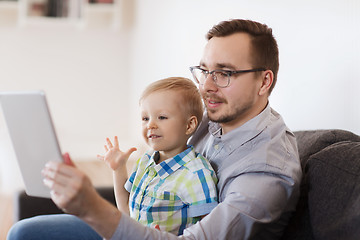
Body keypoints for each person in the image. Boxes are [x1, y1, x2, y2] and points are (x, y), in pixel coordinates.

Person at [7, 19, 302, 240]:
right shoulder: (214, 115)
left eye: (224, 73)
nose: (207, 86)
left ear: (264, 82)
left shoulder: (267, 171)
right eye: (204, 70)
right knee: (25, 231)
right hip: (153, 224)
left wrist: (92, 207)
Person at [97, 77, 218, 235]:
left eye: (162, 117)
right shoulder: (145, 161)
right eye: (145, 118)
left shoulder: (196, 175)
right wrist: (118, 169)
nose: (150, 125)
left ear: (189, 125)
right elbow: (126, 213)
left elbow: (210, 232)